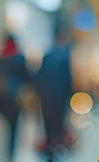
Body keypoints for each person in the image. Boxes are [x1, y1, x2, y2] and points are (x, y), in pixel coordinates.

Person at [34, 29, 77, 161]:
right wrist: (70, 95)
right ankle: (57, 150)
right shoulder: (65, 55)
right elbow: (67, 79)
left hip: (46, 98)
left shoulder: (47, 55)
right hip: (59, 99)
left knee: (48, 125)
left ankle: (49, 153)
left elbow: (39, 77)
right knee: (58, 126)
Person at [0, 36, 29, 161]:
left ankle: (1, 154)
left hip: (0, 101)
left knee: (1, 130)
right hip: (15, 101)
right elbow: (27, 79)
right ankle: (10, 155)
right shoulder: (20, 59)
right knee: (13, 130)